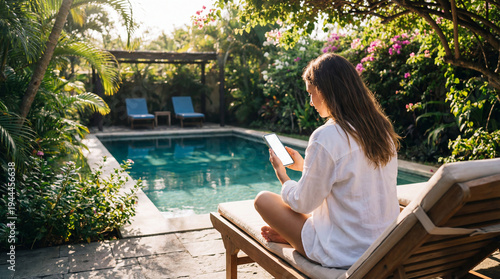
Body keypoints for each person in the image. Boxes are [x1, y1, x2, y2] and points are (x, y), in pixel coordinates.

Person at [254, 53, 401, 268]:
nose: (311, 102)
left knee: (263, 200)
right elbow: (354, 181)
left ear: (325, 90)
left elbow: (303, 203)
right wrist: (305, 167)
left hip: (343, 252)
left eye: (311, 93)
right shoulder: (382, 130)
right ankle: (295, 236)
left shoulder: (327, 136)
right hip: (383, 245)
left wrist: (283, 177)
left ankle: (296, 237)